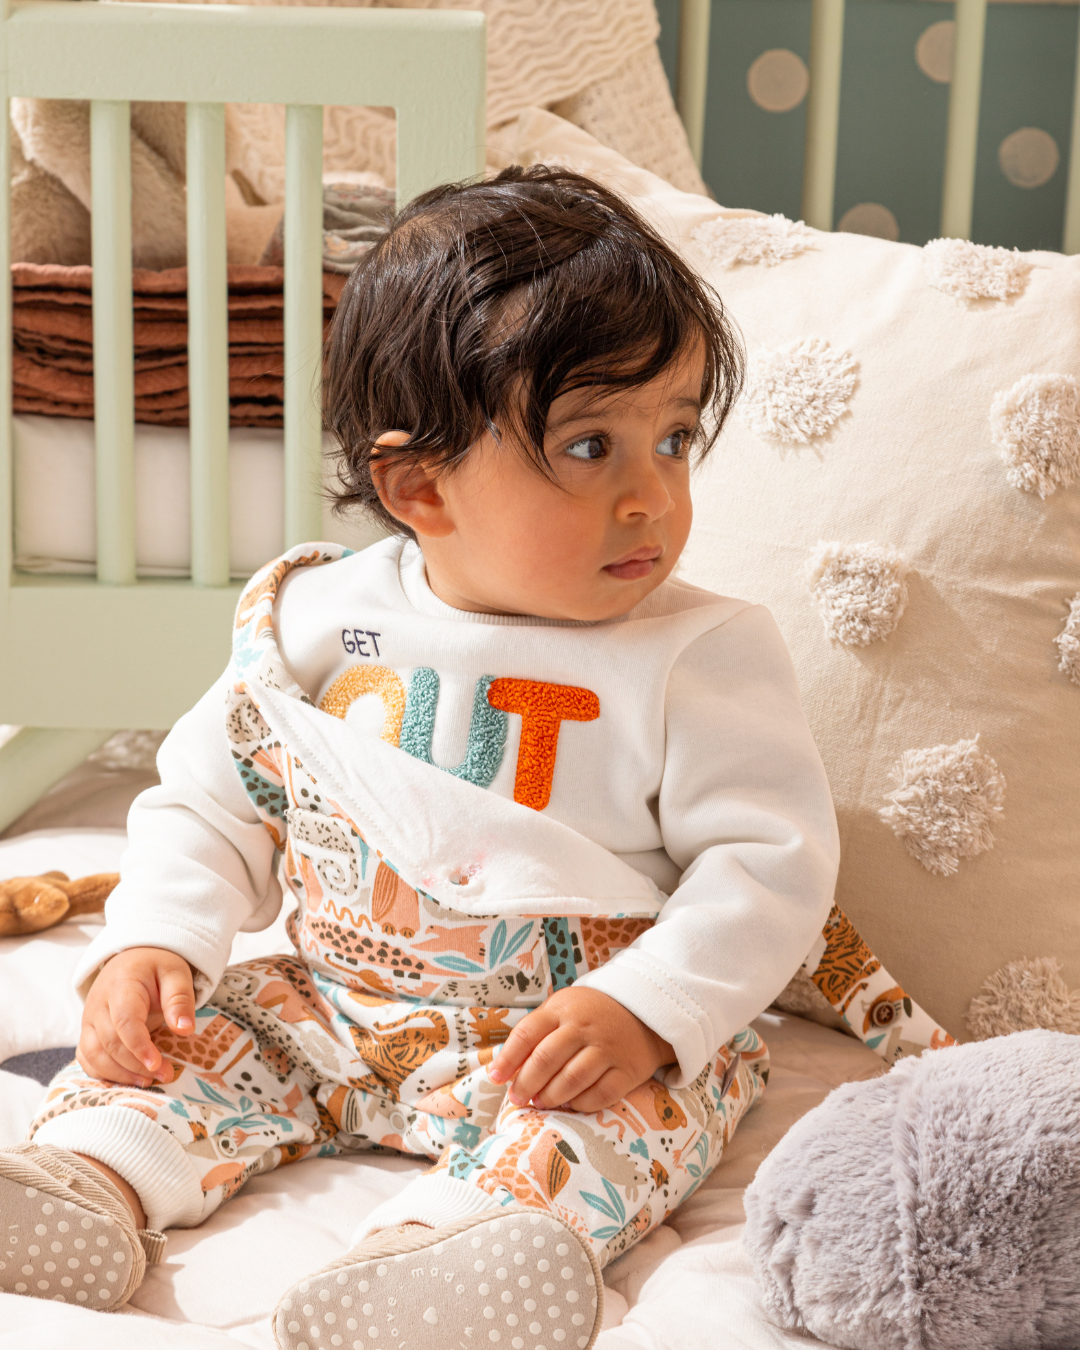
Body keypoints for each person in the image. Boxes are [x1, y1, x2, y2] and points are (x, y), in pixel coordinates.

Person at [0, 167, 839, 1350]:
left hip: (567, 1036)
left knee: (642, 1112)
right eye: (590, 444)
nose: (652, 496)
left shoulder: (700, 654)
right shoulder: (316, 618)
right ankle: (90, 1177)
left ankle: (454, 1251)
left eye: (674, 438)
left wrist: (650, 1008)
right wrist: (157, 941)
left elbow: (770, 867)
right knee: (189, 1044)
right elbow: (211, 797)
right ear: (418, 486)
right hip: (333, 1006)